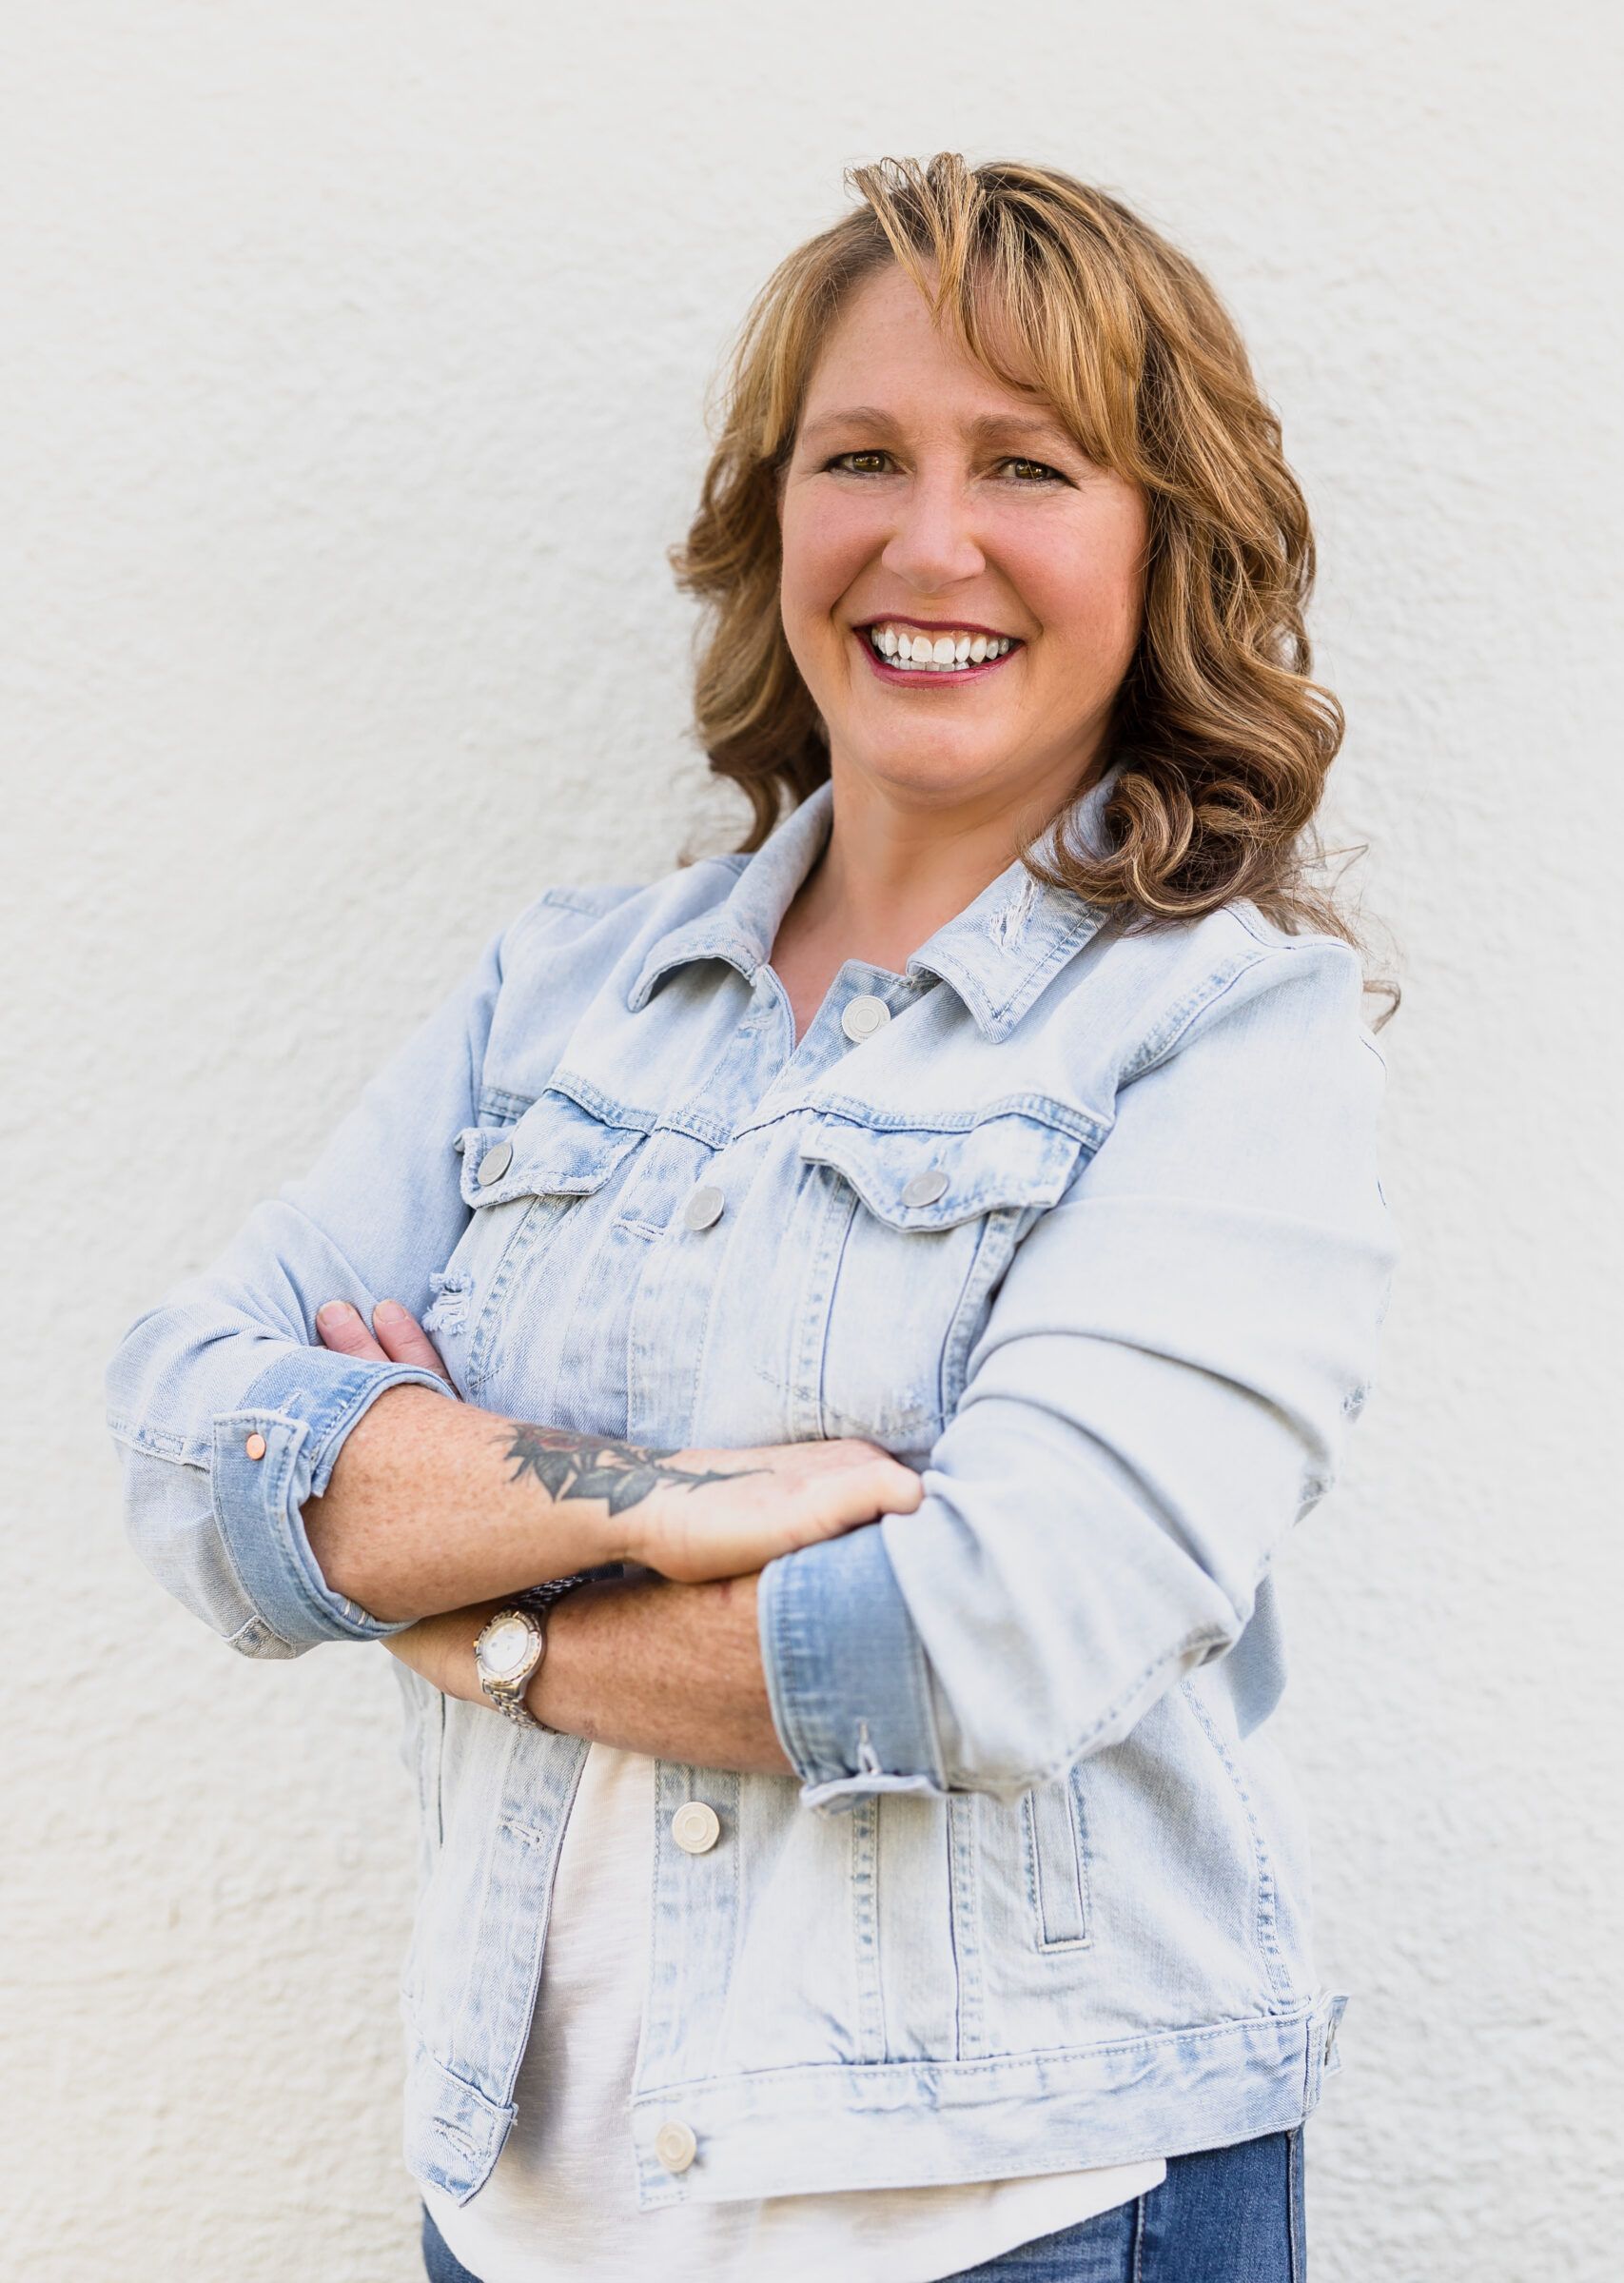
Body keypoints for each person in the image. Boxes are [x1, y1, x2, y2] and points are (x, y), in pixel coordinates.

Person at [107, 152, 1396, 2283]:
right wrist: (673, 1501)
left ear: (1159, 541)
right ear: (771, 518)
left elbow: (983, 1632)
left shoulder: (1224, 1034)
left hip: (1021, 2217)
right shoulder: (561, 991)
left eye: (1029, 465)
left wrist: (466, 1604)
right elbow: (188, 1436)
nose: (928, 538)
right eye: (859, 455)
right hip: (519, 2217)